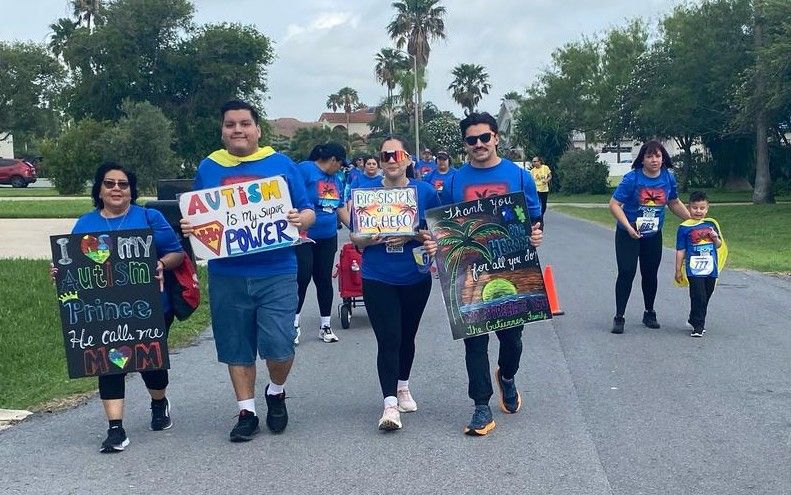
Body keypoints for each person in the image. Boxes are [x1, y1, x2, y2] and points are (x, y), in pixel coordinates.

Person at [180, 100, 315, 442]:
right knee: (236, 346)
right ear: (222, 130)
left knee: (280, 346)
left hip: (277, 270)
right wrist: (190, 226)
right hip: (227, 273)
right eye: (230, 124)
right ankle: (247, 411)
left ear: (258, 129)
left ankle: (276, 390)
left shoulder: (280, 164)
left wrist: (302, 220)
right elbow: (200, 216)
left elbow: (308, 209)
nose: (237, 129)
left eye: (244, 123)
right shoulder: (209, 167)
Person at [51, 161, 185, 453]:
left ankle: (159, 402)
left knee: (150, 363)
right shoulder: (85, 224)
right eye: (109, 183)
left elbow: (176, 252)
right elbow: (72, 263)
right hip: (102, 311)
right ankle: (115, 429)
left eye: (122, 184)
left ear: (131, 190)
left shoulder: (150, 217)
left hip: (150, 307)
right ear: (99, 189)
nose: (116, 189)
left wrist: (161, 263)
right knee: (107, 363)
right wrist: (61, 273)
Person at [424, 112, 543, 437]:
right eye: (472, 140)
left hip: (512, 267)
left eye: (484, 138)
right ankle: (480, 406)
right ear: (465, 144)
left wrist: (536, 234)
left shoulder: (520, 178)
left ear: (496, 138)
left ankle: (506, 375)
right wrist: (436, 246)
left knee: (512, 339)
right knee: (474, 342)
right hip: (468, 272)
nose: (479, 144)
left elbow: (533, 217)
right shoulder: (452, 182)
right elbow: (441, 226)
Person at [350, 136, 440, 431]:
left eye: (396, 154)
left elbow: (438, 233)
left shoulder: (424, 192)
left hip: (415, 275)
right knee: (388, 339)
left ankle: (403, 386)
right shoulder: (365, 193)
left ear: (408, 160)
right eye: (385, 155)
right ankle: (389, 405)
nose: (390, 160)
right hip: (378, 275)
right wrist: (370, 237)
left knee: (407, 336)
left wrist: (414, 235)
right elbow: (355, 237)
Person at [609, 139, 690, 334]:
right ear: (642, 159)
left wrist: (693, 221)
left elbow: (673, 202)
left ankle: (649, 312)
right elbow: (614, 204)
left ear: (663, 159)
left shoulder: (668, 178)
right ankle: (619, 316)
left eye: (658, 156)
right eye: (649, 156)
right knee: (627, 272)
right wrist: (628, 227)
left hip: (653, 234)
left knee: (650, 273)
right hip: (628, 233)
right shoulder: (632, 179)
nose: (654, 160)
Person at [295, 142, 350, 344]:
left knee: (324, 280)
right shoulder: (306, 170)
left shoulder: (337, 178)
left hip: (327, 237)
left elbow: (341, 207)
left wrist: (358, 227)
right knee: (302, 277)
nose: (341, 168)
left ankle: (325, 326)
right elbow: (291, 195)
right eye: (341, 164)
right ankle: (294, 324)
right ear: (333, 160)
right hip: (304, 236)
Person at [674, 191, 725, 337]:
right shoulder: (684, 228)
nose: (698, 211)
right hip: (693, 268)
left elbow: (719, 245)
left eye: (702, 208)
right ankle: (698, 325)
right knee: (698, 295)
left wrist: (715, 238)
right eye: (695, 208)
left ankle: (693, 317)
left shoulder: (711, 224)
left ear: (707, 208)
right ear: (689, 208)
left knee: (706, 295)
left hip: (710, 267)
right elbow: (680, 250)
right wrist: (678, 270)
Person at [530, 156, 552, 220]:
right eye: (533, 162)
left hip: (544, 189)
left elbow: (550, 176)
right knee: (538, 203)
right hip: (536, 189)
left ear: (539, 162)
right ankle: (539, 216)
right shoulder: (532, 171)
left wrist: (547, 180)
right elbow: (531, 180)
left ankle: (541, 214)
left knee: (544, 204)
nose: (533, 163)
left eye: (535, 161)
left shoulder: (545, 168)